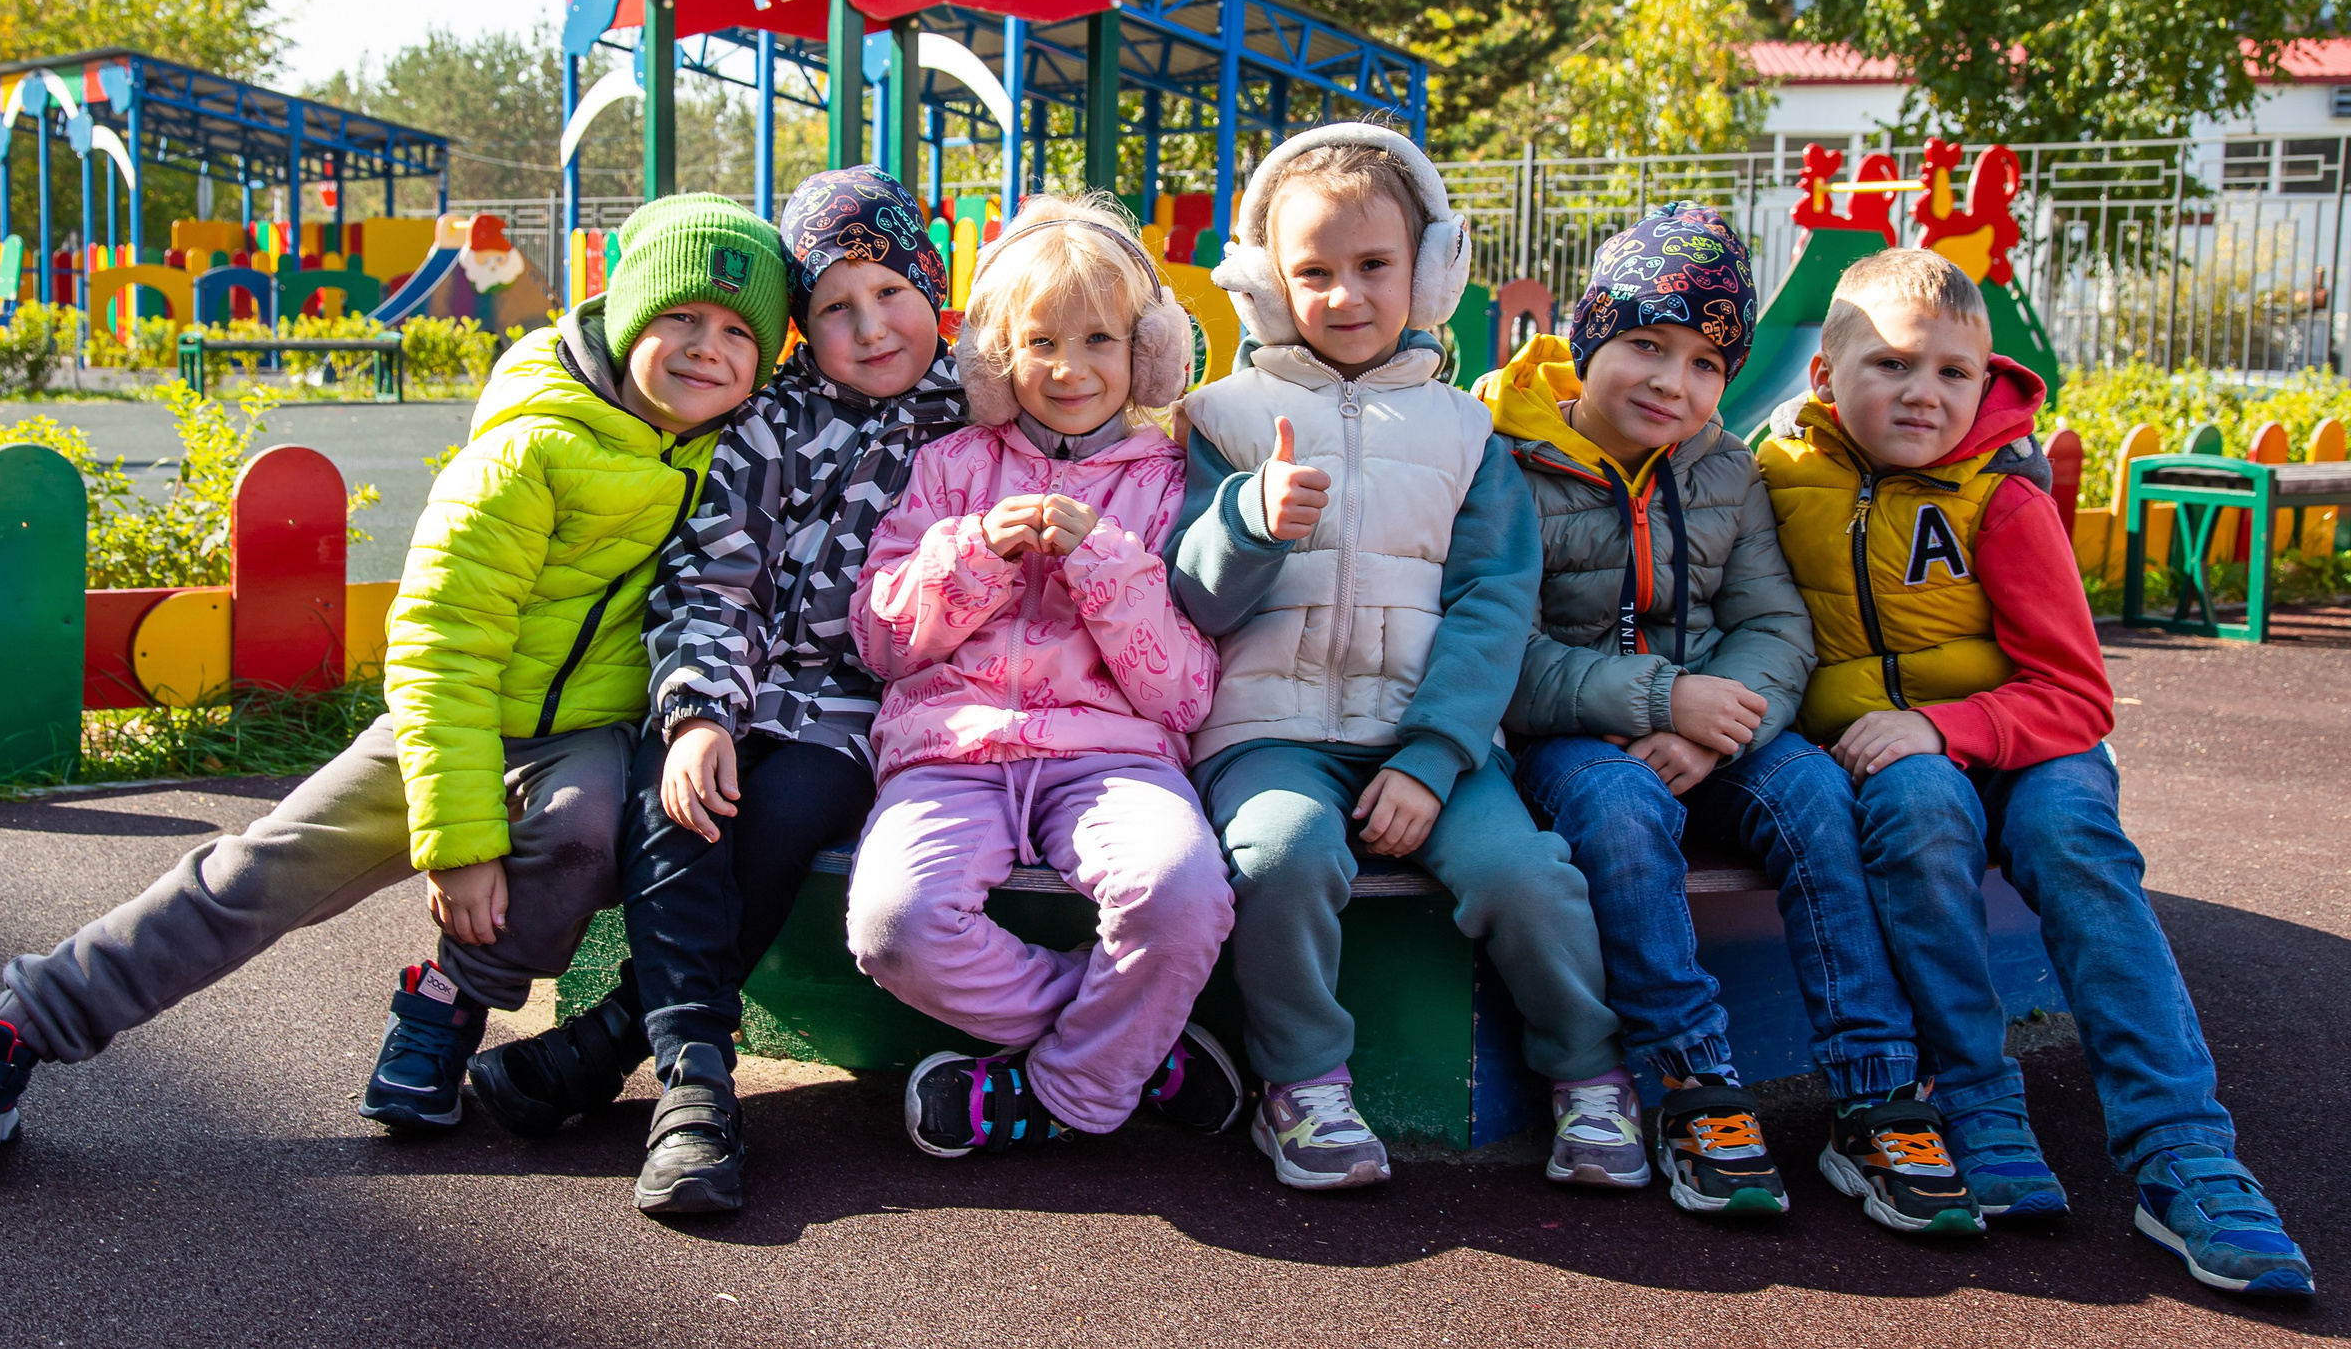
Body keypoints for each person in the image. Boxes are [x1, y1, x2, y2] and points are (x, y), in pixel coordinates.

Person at [0, 196, 788, 1181]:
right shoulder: (528, 448)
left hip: (584, 731)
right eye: (680, 316)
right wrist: (460, 840)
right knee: (259, 873)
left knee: (592, 826)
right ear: (628, 309)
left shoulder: (729, 448)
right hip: (449, 718)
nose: (705, 348)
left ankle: (450, 997)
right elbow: (439, 645)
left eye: (737, 332)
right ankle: (1, 1037)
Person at [1757, 245, 2315, 1294]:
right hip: (1902, 756)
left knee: (2075, 845)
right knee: (1916, 812)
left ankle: (2182, 1149)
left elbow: (2076, 693)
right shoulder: (1780, 475)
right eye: (1891, 366)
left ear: (1983, 379)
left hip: (2030, 741)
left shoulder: (1998, 495)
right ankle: (1975, 1098)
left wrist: (1941, 723)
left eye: (1952, 372)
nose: (1923, 392)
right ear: (1826, 377)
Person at [465, 166, 972, 1215]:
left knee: (784, 809)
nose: (870, 326)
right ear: (801, 327)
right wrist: (698, 711)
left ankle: (617, 1044)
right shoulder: (770, 420)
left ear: (933, 284)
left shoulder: (971, 419)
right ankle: (697, 1085)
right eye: (834, 307)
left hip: (859, 707)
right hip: (734, 681)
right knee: (681, 799)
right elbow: (711, 576)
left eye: (890, 293)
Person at [1482, 206, 1980, 1234]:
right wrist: (1661, 699)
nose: (1673, 382)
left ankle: (1875, 1087)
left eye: (1707, 363)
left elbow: (1774, 623)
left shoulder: (1725, 470)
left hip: (1721, 725)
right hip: (1578, 737)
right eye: (1646, 346)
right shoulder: (1509, 467)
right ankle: (1694, 1081)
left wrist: (1716, 722)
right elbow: (1504, 654)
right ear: (1591, 340)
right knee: (1618, 815)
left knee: (1814, 793)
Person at [1166, 122, 1612, 1192]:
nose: (1344, 294)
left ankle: (1590, 1077)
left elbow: (1493, 605)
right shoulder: (1223, 422)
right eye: (1311, 271)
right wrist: (1250, 523)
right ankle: (1304, 1085)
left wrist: (1431, 752)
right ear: (1266, 285)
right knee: (1277, 855)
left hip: (1434, 739)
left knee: (1524, 871)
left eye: (1373, 266)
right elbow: (1189, 595)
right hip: (1267, 734)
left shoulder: (1468, 435)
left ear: (1430, 271)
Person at [843, 194, 1244, 1160]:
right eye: (1041, 342)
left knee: (1184, 895)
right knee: (895, 925)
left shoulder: (1171, 483)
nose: (1071, 370)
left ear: (1148, 353)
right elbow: (882, 641)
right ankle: (1131, 1048)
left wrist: (1105, 565)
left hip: (1113, 758)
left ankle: (1063, 1088)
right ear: (994, 357)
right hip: (947, 752)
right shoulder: (947, 468)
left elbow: (1184, 693)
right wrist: (973, 553)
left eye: (1101, 340)